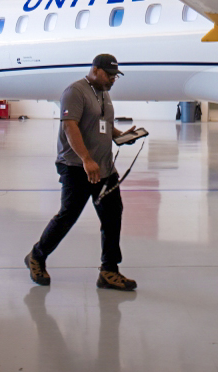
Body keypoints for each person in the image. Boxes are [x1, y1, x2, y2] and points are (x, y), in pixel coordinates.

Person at [25, 54, 138, 291]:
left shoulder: (104, 93)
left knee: (112, 216)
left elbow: (103, 124)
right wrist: (86, 159)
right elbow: (70, 127)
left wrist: (122, 136)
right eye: (109, 75)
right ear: (95, 70)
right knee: (68, 216)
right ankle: (36, 256)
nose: (112, 79)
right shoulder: (75, 92)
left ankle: (109, 271)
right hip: (77, 167)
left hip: (104, 168)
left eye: (115, 76)